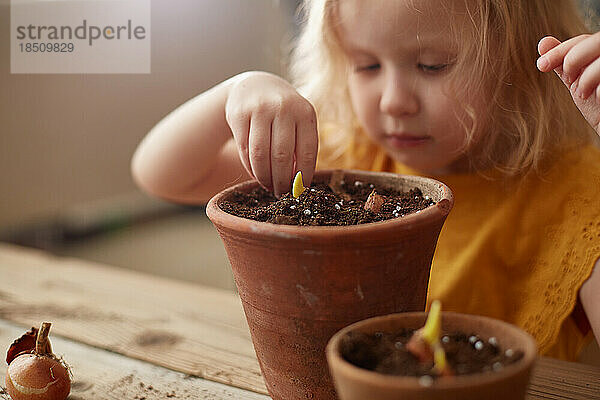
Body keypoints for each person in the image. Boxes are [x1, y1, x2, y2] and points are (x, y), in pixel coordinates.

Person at [132, 0, 600, 362]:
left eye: (432, 65)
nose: (393, 102)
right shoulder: (348, 154)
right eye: (367, 65)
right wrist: (232, 94)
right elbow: (162, 175)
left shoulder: (576, 195)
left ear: (524, 56)